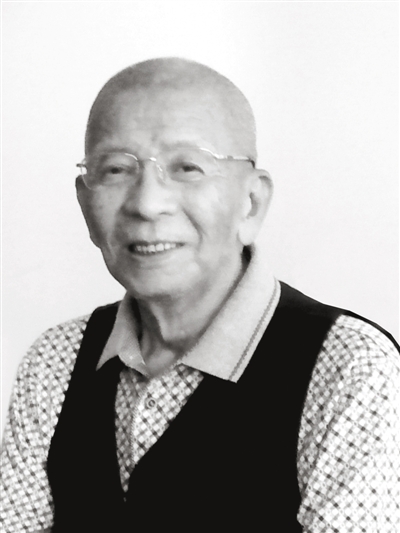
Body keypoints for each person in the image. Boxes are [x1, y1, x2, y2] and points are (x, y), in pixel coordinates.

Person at [1, 57, 399, 533]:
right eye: (116, 169)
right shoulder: (55, 362)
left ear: (251, 202)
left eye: (187, 167)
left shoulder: (349, 368)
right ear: (86, 205)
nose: (147, 204)